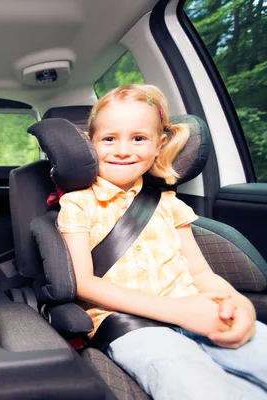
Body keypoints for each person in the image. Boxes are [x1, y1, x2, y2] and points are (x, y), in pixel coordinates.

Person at [58, 84, 267, 399]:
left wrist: (239, 305)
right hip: (133, 328)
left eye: (139, 138)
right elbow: (83, 282)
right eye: (110, 138)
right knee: (196, 386)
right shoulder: (77, 204)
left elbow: (200, 273)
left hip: (199, 311)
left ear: (160, 144)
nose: (123, 150)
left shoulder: (168, 203)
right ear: (91, 144)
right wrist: (177, 311)